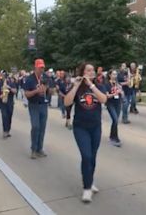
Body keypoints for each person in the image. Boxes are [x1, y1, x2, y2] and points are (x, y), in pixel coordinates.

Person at [64, 62, 107, 203]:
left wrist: (92, 85)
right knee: (86, 156)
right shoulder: (78, 87)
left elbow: (103, 99)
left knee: (93, 157)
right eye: (88, 70)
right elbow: (67, 102)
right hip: (80, 127)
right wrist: (76, 85)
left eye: (92, 70)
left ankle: (90, 180)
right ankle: (86, 188)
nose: (91, 72)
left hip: (95, 127)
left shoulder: (98, 86)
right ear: (83, 73)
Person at [24, 59, 50, 159]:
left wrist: (47, 89)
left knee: (42, 128)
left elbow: (50, 89)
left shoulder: (45, 77)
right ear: (35, 67)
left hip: (43, 105)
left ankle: (40, 149)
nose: (41, 69)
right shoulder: (30, 79)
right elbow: (26, 93)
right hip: (34, 105)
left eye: (43, 67)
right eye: (40, 67)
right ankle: (33, 149)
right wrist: (36, 91)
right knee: (35, 127)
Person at [0, 70, 17, 139]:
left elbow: (15, 91)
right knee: (4, 116)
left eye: (4, 75)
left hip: (10, 103)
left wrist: (9, 87)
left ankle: (8, 130)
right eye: (2, 75)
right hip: (2, 103)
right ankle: (4, 131)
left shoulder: (11, 82)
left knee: (9, 117)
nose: (3, 76)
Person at [105, 69, 123, 147]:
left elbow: (121, 93)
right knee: (115, 119)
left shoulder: (117, 83)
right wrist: (116, 93)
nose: (115, 76)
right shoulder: (106, 84)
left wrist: (121, 92)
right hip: (110, 103)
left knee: (115, 121)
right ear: (110, 75)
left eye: (116, 74)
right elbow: (107, 96)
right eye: (113, 74)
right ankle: (115, 137)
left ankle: (112, 136)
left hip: (118, 103)